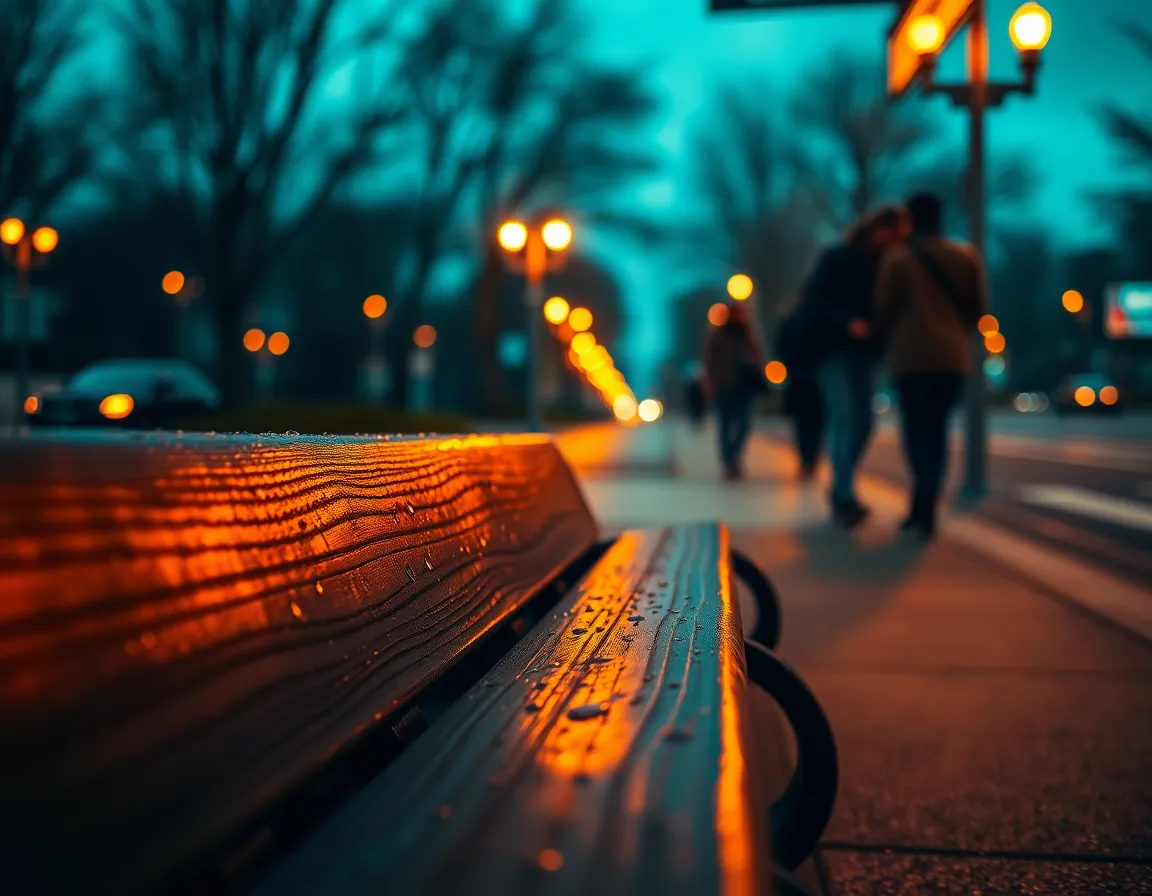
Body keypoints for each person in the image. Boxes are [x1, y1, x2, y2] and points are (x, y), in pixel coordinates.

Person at [875, 192, 988, 538]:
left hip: (911, 358)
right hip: (951, 358)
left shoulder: (898, 260)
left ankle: (921, 498)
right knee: (938, 430)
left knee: (916, 430)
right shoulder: (964, 256)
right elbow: (978, 310)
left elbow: (884, 310)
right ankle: (929, 499)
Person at [801, 206, 907, 527]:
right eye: (891, 234)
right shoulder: (839, 258)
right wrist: (847, 323)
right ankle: (845, 496)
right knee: (844, 419)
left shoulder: (890, 265)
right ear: (876, 229)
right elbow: (813, 299)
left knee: (864, 425)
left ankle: (841, 487)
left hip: (868, 353)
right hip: (835, 349)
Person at [704, 301, 763, 480]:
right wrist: (711, 382)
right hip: (725, 385)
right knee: (725, 423)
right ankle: (729, 461)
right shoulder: (719, 335)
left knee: (744, 424)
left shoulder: (748, 335)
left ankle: (734, 457)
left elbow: (758, 356)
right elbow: (710, 360)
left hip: (743, 386)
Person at [775, 302, 824, 479]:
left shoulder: (789, 323)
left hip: (797, 380)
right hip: (816, 380)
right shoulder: (819, 323)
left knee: (801, 424)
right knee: (816, 423)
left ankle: (806, 459)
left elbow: (780, 347)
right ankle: (811, 459)